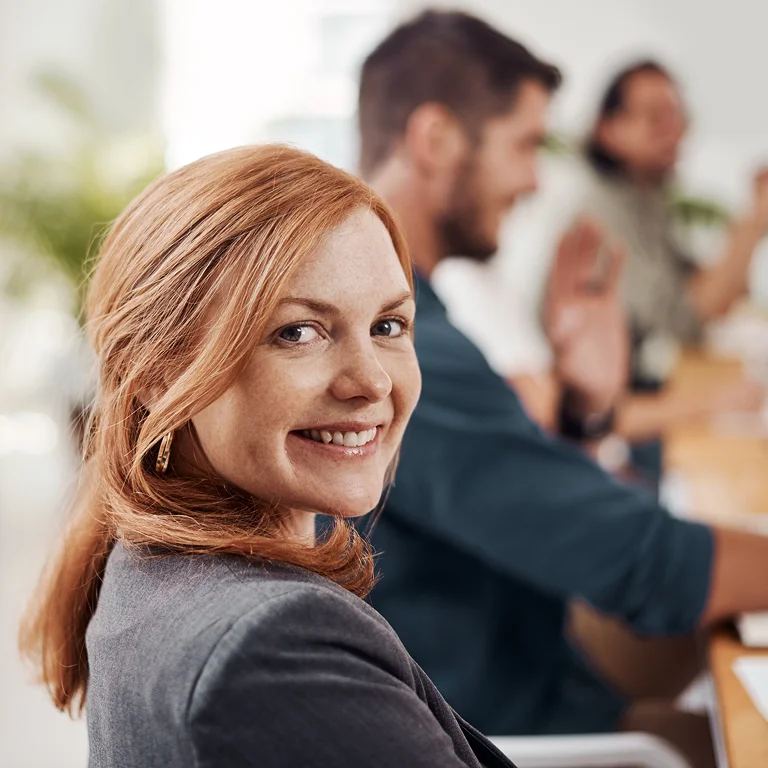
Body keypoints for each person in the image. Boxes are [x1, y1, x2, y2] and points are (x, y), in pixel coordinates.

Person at [19, 145, 518, 768]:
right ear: (158, 372)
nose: (372, 382)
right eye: (297, 332)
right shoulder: (275, 649)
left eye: (389, 326)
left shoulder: (157, 570)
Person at [359, 11, 768, 767]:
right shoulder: (399, 350)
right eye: (522, 145)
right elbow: (643, 564)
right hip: (503, 732)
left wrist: (586, 410)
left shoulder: (410, 313)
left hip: (529, 679)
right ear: (435, 140)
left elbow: (507, 489)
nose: (534, 178)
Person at [434, 59, 767, 485]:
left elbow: (705, 296)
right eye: (655, 116)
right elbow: (689, 317)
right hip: (610, 426)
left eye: (677, 115)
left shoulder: (644, 200)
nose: (675, 129)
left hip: (600, 421)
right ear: (608, 128)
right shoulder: (599, 216)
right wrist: (754, 221)